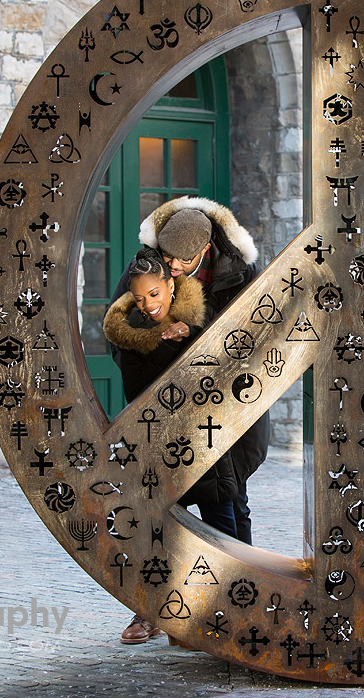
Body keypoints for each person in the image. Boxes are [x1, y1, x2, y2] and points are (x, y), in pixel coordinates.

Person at [109, 197, 270, 546]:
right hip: (168, 407)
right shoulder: (144, 268)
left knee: (230, 501)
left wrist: (195, 333)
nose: (174, 266)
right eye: (168, 257)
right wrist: (155, 374)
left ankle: (238, 581)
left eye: (184, 259)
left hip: (227, 405)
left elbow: (258, 334)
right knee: (167, 504)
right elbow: (118, 330)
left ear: (206, 249)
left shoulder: (242, 272)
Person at [103, 247, 239, 645]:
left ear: (171, 285)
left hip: (207, 442)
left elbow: (220, 369)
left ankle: (221, 614)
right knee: (158, 536)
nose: (149, 305)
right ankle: (155, 612)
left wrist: (190, 337)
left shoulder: (199, 318)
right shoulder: (131, 336)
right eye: (141, 298)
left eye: (156, 295)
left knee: (222, 532)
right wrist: (161, 343)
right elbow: (137, 394)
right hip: (159, 450)